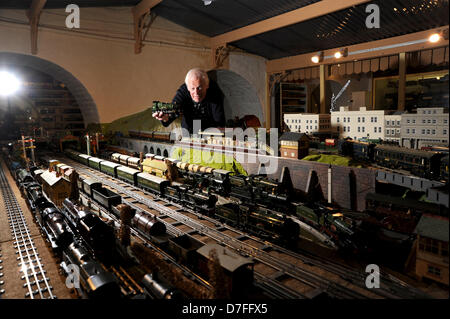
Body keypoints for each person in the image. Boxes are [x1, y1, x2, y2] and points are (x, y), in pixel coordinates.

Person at [152, 68, 225, 135]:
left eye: (199, 88)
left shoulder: (214, 92)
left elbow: (219, 122)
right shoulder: (183, 91)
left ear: (207, 86)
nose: (196, 93)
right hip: (189, 129)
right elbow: (174, 108)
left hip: (209, 130)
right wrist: (165, 117)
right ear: (188, 88)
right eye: (192, 88)